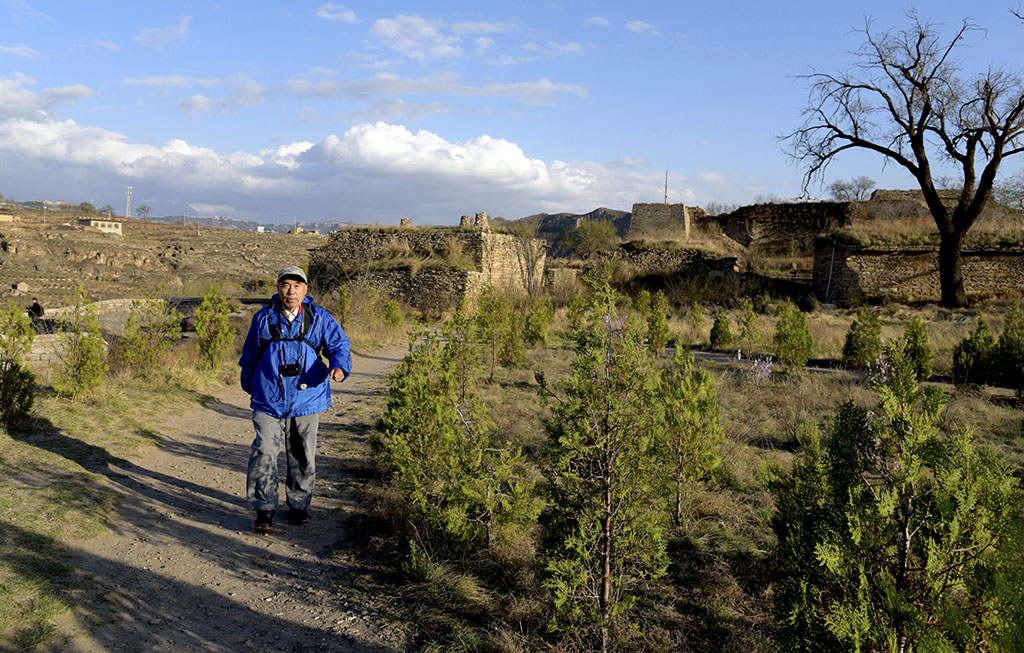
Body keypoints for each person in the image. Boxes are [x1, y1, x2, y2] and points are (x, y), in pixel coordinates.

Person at [238, 265, 351, 534]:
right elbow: (250, 355)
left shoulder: (320, 318)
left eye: (297, 286)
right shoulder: (263, 318)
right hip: (269, 398)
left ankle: (299, 504)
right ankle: (264, 508)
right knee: (264, 450)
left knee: (302, 452)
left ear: (305, 290)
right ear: (278, 288)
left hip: (306, 397)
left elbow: (338, 344)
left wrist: (339, 366)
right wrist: (251, 385)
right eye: (286, 285)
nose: (291, 291)